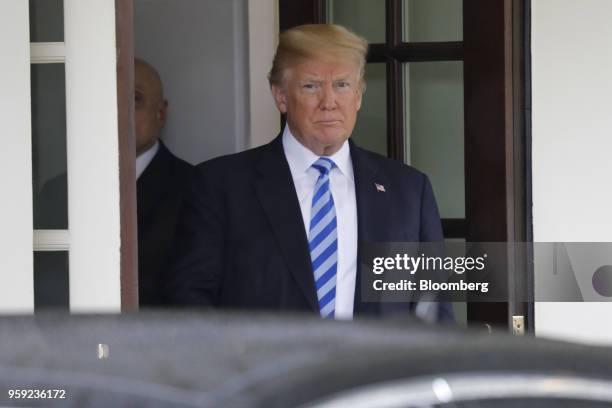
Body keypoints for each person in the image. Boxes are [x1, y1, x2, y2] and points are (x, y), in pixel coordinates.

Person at [167, 24, 450, 321]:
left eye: (342, 85)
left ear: (359, 96)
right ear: (281, 97)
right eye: (311, 86)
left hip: (377, 368)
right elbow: (189, 303)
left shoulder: (408, 191)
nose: (329, 102)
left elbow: (433, 309)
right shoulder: (220, 187)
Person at [35, 58, 193, 307]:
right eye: (107, 96)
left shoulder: (194, 189)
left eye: (134, 98)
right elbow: (41, 289)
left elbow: (193, 293)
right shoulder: (56, 191)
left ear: (160, 113)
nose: (118, 108)